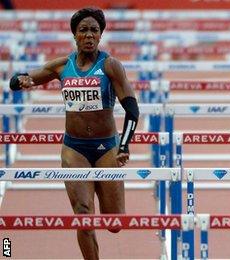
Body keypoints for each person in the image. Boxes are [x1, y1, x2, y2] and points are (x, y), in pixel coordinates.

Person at [9, 7, 139, 259]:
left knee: (115, 224)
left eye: (94, 30)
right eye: (83, 30)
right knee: (83, 215)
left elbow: (132, 109)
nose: (89, 35)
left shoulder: (111, 66)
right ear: (75, 35)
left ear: (100, 35)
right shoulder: (62, 66)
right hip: (74, 149)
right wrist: (20, 81)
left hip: (107, 149)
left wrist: (123, 146)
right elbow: (21, 79)